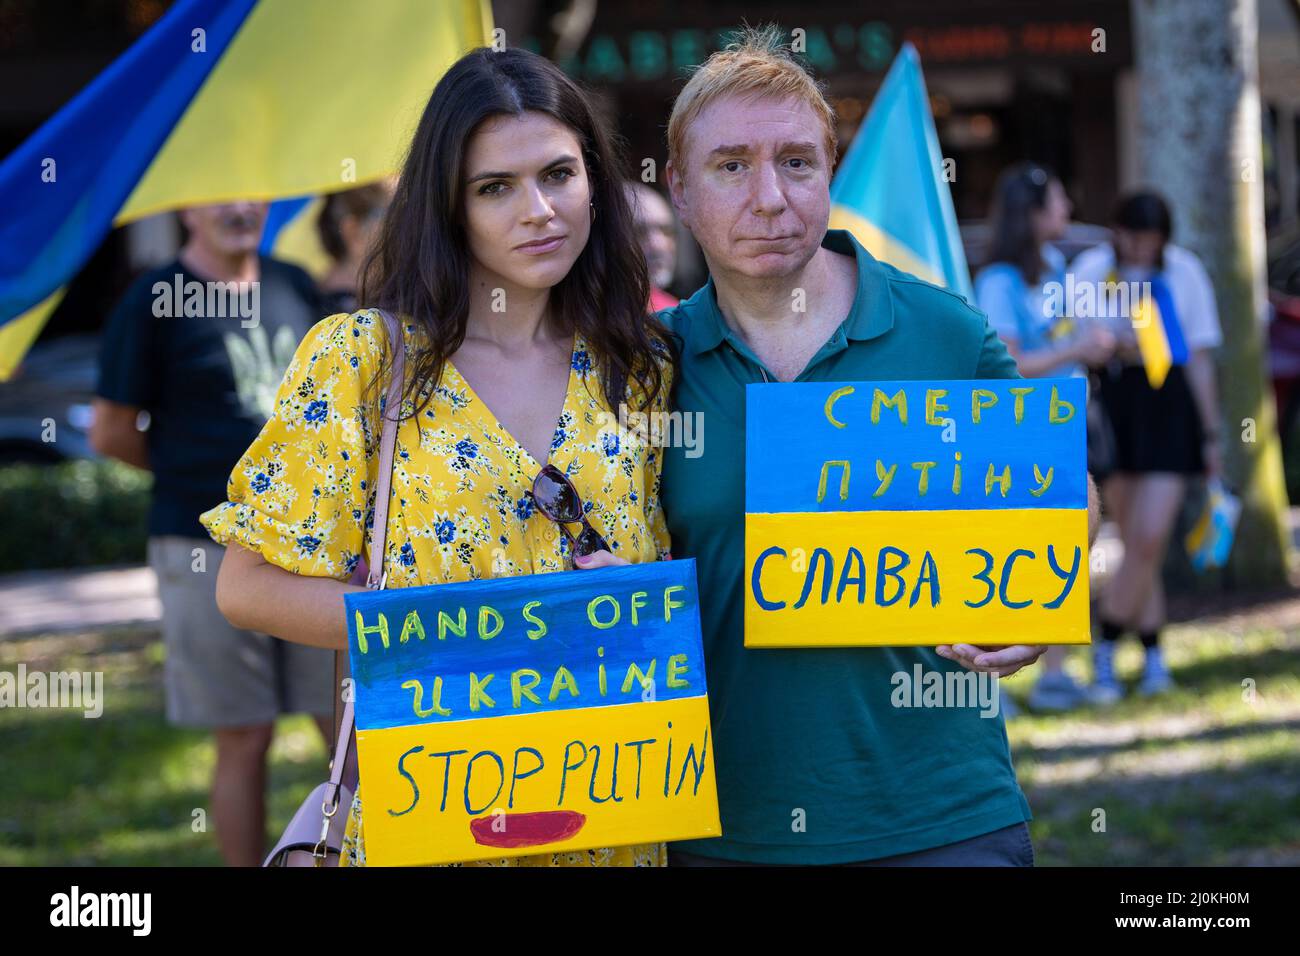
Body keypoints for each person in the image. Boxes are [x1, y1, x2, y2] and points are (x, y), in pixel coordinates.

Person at [199, 47, 676, 867]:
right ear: (448, 208)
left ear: (595, 179)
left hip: (613, 808)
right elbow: (245, 589)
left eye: (559, 174)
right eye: (494, 188)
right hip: (438, 809)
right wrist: (451, 626)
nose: (538, 211)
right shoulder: (365, 361)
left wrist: (625, 600)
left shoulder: (641, 362)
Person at [657, 25, 1100, 866]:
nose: (769, 197)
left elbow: (1065, 496)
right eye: (730, 166)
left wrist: (1039, 607)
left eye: (796, 162)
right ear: (679, 189)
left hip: (941, 823)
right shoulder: (646, 368)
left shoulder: (944, 331)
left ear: (830, 170)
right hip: (717, 831)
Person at [90, 200, 333, 866]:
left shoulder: (292, 284)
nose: (238, 206)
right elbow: (110, 431)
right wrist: (202, 489)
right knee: (244, 735)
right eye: (219, 192)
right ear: (186, 208)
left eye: (251, 190)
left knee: (344, 728)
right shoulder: (152, 299)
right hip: (201, 550)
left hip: (313, 546)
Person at [1069, 192, 1224, 702]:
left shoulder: (1184, 271)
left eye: (1150, 239)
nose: (1140, 247)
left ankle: (1106, 644)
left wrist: (1212, 435)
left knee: (1152, 537)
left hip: (1169, 404)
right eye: (1132, 236)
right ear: (1116, 231)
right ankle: (1154, 657)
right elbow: (1077, 338)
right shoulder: (1093, 269)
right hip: (1114, 404)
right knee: (1136, 538)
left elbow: (1198, 357)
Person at [974, 163, 1115, 713]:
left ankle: (1053, 672)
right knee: (1012, 554)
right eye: (1058, 200)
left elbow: (1060, 339)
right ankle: (990, 677)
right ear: (1031, 212)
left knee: (1069, 547)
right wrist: (1077, 351)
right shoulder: (998, 281)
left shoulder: (1056, 266)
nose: (1067, 210)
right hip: (1019, 436)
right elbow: (1008, 365)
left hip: (1067, 428)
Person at [316, 180, 396, 315]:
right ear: (353, 232)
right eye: (389, 215)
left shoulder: (313, 299)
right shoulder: (340, 314)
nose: (402, 225)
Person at [625, 181, 680, 310]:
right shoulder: (577, 315)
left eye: (667, 231)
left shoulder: (673, 314)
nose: (658, 246)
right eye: (639, 232)